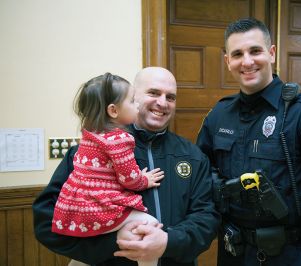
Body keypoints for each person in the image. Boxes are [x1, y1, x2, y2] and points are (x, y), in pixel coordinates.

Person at [196, 17, 301, 266]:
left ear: (271, 54)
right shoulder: (218, 115)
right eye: (237, 54)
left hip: (288, 255)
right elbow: (200, 178)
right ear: (227, 61)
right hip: (232, 253)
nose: (247, 61)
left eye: (255, 51)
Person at [33, 67, 220, 266]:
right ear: (132, 98)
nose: (163, 103)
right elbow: (47, 224)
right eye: (153, 93)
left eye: (171, 97)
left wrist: (168, 242)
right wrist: (116, 242)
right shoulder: (88, 155)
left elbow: (206, 219)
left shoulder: (193, 156)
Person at [51, 73, 164, 266]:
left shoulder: (90, 135)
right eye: (132, 101)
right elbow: (129, 180)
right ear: (113, 111)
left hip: (75, 209)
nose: (137, 105)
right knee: (150, 227)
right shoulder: (120, 140)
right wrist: (144, 180)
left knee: (88, 247)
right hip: (100, 208)